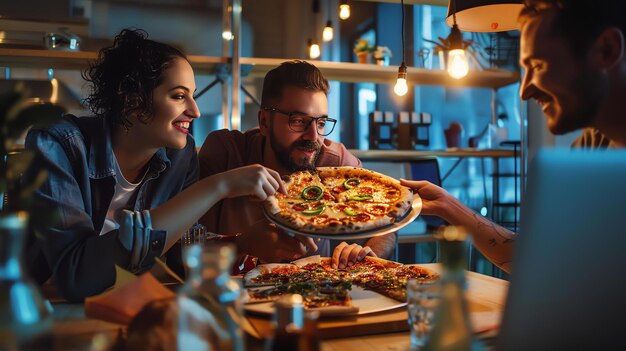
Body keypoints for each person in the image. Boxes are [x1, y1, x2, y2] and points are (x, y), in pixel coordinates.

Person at [24, 29, 285, 302]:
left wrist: (244, 243)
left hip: (129, 309)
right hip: (45, 317)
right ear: (133, 100)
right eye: (178, 96)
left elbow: (180, 258)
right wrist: (218, 186)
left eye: (192, 95)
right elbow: (74, 277)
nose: (195, 111)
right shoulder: (57, 145)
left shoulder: (179, 159)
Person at [401, 0, 626, 273]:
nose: (524, 91)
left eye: (538, 65)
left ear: (607, 50)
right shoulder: (591, 148)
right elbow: (539, 259)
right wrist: (448, 206)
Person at [198, 60, 396, 271]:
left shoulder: (335, 164)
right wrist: (240, 244)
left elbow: (387, 224)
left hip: (316, 296)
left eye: (321, 123)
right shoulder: (226, 152)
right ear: (264, 122)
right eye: (299, 121)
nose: (314, 137)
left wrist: (366, 252)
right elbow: (182, 249)